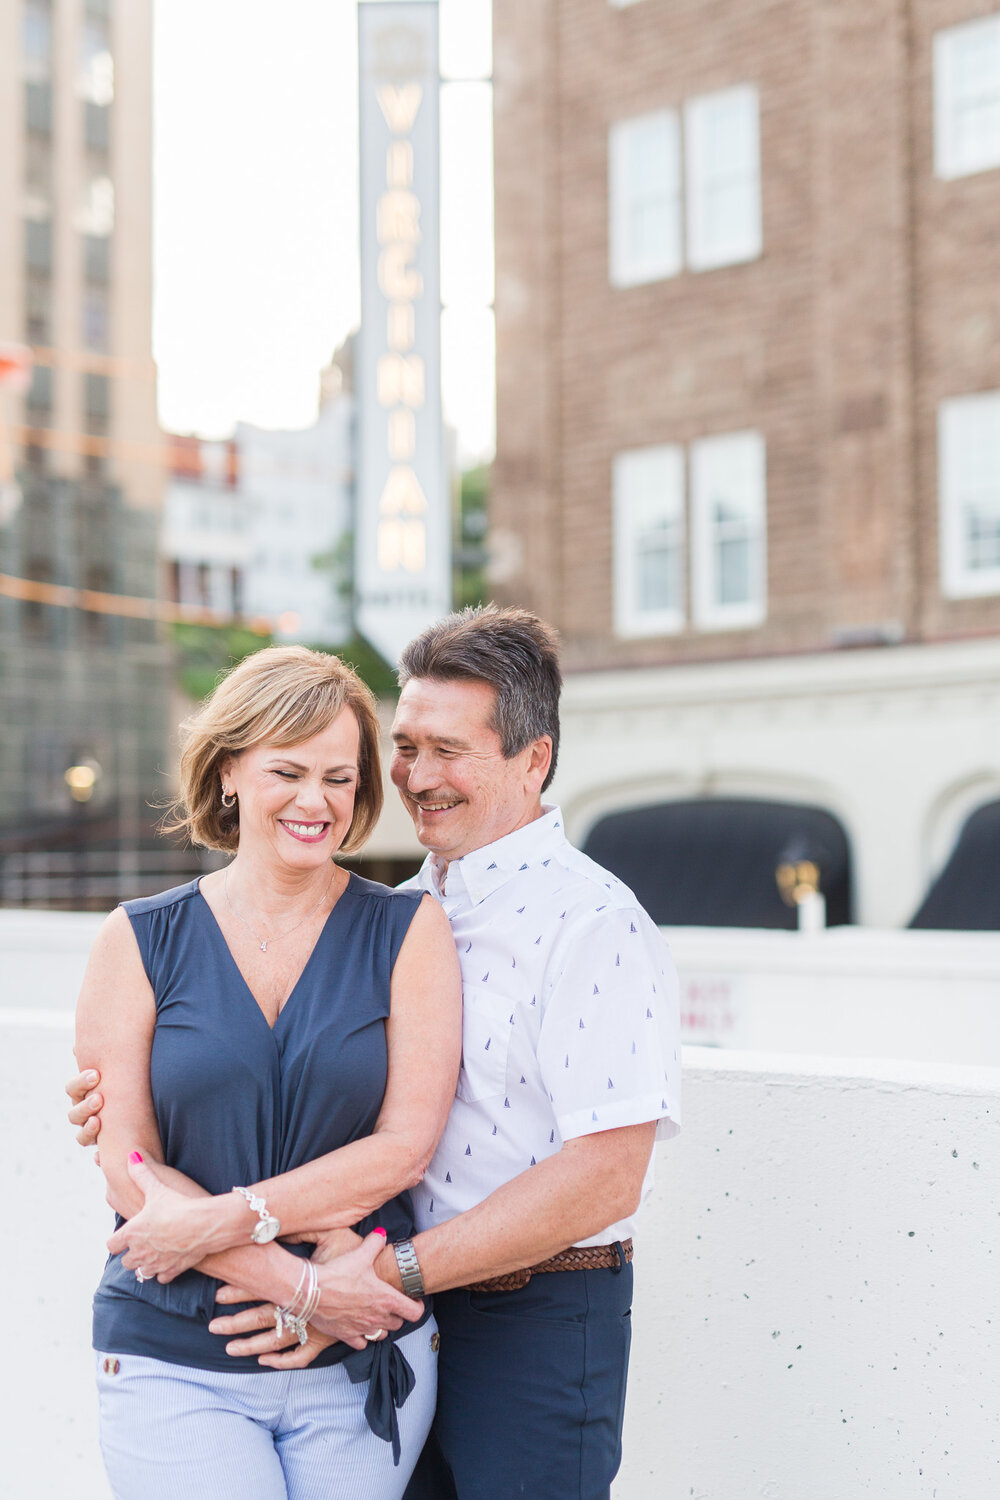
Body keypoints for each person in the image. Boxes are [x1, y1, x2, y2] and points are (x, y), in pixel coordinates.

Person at [69, 606, 681, 1500]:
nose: (417, 777)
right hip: (395, 1313)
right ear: (233, 773)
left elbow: (606, 1175)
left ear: (533, 758)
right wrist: (316, 1280)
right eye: (406, 747)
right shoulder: (430, 896)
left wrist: (363, 1274)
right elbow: (139, 1141)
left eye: (449, 750)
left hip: (523, 1311)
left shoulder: (591, 919)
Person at [72, 644, 462, 1500]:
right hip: (175, 1353)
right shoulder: (136, 940)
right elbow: (130, 1168)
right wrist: (303, 1286)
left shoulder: (408, 932)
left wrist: (234, 1231)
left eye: (340, 777)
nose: (315, 801)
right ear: (229, 775)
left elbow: (403, 1148)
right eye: (288, 771)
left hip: (358, 1360)